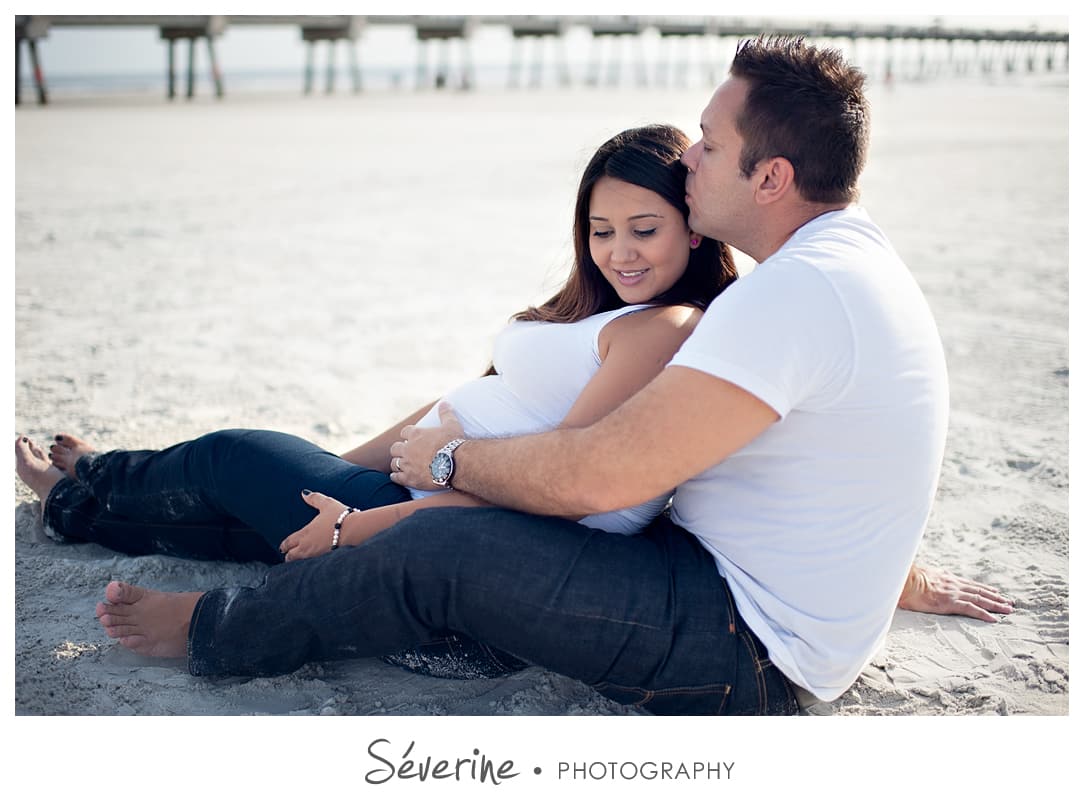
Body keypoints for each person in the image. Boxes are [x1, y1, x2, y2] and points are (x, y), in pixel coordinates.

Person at [87, 36, 1013, 715]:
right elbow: (836, 466)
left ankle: (213, 628)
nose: (687, 157)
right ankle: (121, 503)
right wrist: (900, 574)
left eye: (706, 142)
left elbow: (599, 476)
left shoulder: (803, 291)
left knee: (441, 552)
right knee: (338, 502)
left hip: (745, 649)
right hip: (731, 599)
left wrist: (445, 463)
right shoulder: (840, 271)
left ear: (769, 178)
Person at [16, 123, 736, 564]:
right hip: (411, 489)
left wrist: (364, 524)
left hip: (437, 513)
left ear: (693, 228)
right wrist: (345, 464)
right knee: (239, 530)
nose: (621, 253)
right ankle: (74, 504)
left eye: (645, 229)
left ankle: (100, 476)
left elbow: (559, 484)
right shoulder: (605, 311)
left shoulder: (665, 327)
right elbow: (471, 397)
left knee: (230, 457)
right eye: (601, 232)